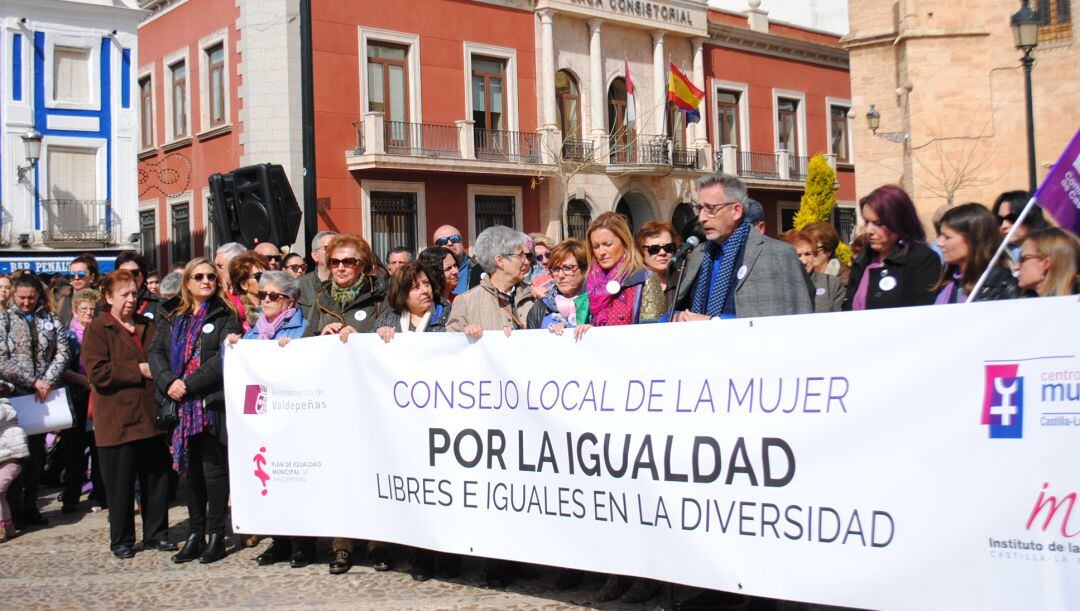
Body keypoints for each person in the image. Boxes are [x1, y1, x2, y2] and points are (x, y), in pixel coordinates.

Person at [148, 258, 242, 565]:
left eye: (211, 277)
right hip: (180, 406)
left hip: (209, 402)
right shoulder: (171, 314)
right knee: (190, 473)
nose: (206, 281)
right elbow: (156, 352)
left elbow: (222, 357)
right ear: (187, 282)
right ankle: (194, 532)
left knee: (213, 471)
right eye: (199, 276)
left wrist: (186, 384)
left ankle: (216, 533)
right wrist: (168, 381)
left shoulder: (225, 313)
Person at [223, 271, 314, 568]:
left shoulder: (303, 327)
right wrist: (234, 347)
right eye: (263, 295)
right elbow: (237, 370)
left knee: (297, 481)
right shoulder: (253, 331)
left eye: (273, 296)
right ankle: (280, 540)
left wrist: (295, 351)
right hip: (264, 420)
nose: (266, 301)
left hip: (294, 418)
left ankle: (304, 543)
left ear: (290, 300)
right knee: (271, 480)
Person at [83, 270, 173, 559]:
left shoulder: (147, 326)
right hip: (118, 420)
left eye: (134, 293)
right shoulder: (98, 329)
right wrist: (137, 370)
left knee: (155, 479)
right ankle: (121, 539)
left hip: (149, 416)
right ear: (108, 297)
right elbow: (98, 372)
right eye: (125, 294)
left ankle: (157, 533)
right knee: (120, 484)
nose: (132, 299)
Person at [673, 175, 812, 322]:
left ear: (736, 211)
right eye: (700, 208)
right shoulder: (700, 254)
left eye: (710, 209)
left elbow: (796, 319)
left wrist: (713, 323)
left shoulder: (778, 254)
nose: (702, 218)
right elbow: (683, 306)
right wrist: (677, 317)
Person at [0, 272, 71, 529]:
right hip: (15, 396)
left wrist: (48, 380)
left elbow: (62, 351)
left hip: (43, 398)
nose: (27, 302)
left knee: (37, 456)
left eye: (31, 297)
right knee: (16, 456)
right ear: (13, 296)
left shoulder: (49, 318)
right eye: (22, 298)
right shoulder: (4, 320)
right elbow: (2, 358)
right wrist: (32, 381)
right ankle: (14, 509)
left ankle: (30, 507)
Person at [842, 185, 940, 311]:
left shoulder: (922, 259)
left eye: (878, 223)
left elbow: (920, 313)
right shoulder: (864, 259)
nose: (869, 230)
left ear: (898, 221)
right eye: (867, 222)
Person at [446, 225, 535, 341]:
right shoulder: (467, 302)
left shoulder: (533, 296)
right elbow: (451, 345)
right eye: (520, 255)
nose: (526, 261)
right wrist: (466, 333)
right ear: (500, 261)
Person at [58, 288, 103, 513]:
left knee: (98, 446)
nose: (88, 313)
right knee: (74, 450)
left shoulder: (99, 332)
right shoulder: (68, 336)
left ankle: (100, 492)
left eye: (91, 310)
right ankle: (71, 495)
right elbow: (63, 368)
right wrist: (85, 381)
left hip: (97, 396)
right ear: (74, 311)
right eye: (83, 309)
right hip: (76, 395)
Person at [585, 212, 665, 330]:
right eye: (596, 246)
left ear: (625, 242)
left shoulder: (644, 278)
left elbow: (652, 332)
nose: (601, 252)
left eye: (607, 244)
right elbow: (576, 322)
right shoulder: (589, 281)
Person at [303, 234, 385, 341]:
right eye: (335, 262)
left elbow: (388, 339)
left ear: (361, 265)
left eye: (348, 262)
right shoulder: (322, 297)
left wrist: (358, 338)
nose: (340, 268)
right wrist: (321, 336)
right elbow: (307, 341)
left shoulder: (379, 295)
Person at [933, 203, 1019, 304]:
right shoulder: (945, 283)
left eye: (947, 237)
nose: (939, 243)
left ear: (973, 240)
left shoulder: (1003, 286)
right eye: (940, 236)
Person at [374, 261, 451, 341]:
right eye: (416, 287)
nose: (425, 290)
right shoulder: (387, 321)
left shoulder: (449, 315)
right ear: (402, 295)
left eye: (426, 283)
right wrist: (380, 333)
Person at [526, 239, 590, 332]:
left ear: (584, 270)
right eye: (556, 269)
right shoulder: (541, 306)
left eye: (568, 268)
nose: (560, 275)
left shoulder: (597, 303)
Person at [782, 231, 844, 313]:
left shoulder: (832, 283)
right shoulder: (779, 285)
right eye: (798, 255)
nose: (804, 261)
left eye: (808, 254)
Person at [0, 388, 29, 542]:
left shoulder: (3, 409)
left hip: (11, 461)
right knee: (1, 496)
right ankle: (9, 528)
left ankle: (2, 530)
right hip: (7, 460)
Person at [1016, 228, 1080, 297]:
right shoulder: (1023, 304)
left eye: (1023, 259)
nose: (1016, 266)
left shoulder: (1074, 305)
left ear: (1045, 264)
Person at [636, 221, 682, 308]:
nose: (662, 253)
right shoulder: (635, 285)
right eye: (654, 249)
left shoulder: (683, 280)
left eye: (668, 247)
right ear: (641, 251)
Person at [993, 190, 1050, 260]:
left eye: (1012, 218)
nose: (1004, 226)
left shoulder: (1050, 252)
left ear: (1030, 217)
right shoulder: (994, 257)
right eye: (999, 219)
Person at [433, 225, 482, 295]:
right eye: (443, 241)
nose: (450, 243)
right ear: (435, 248)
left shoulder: (480, 269)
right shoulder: (428, 274)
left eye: (454, 239)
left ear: (462, 242)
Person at [228, 253, 270, 330]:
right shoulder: (234, 312)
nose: (265, 280)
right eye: (259, 276)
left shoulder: (275, 305)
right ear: (244, 285)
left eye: (267, 275)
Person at [299, 230, 338, 310]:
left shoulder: (350, 283)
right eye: (327, 248)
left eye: (337, 247)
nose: (333, 251)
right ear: (315, 255)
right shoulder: (300, 285)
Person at [115, 250, 160, 319]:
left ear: (143, 274)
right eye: (124, 273)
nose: (130, 276)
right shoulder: (107, 304)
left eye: (134, 272)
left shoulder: (159, 305)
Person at [58, 253, 98, 326]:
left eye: (81, 274)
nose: (76, 278)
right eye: (72, 275)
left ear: (92, 277)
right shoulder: (62, 301)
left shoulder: (100, 302)